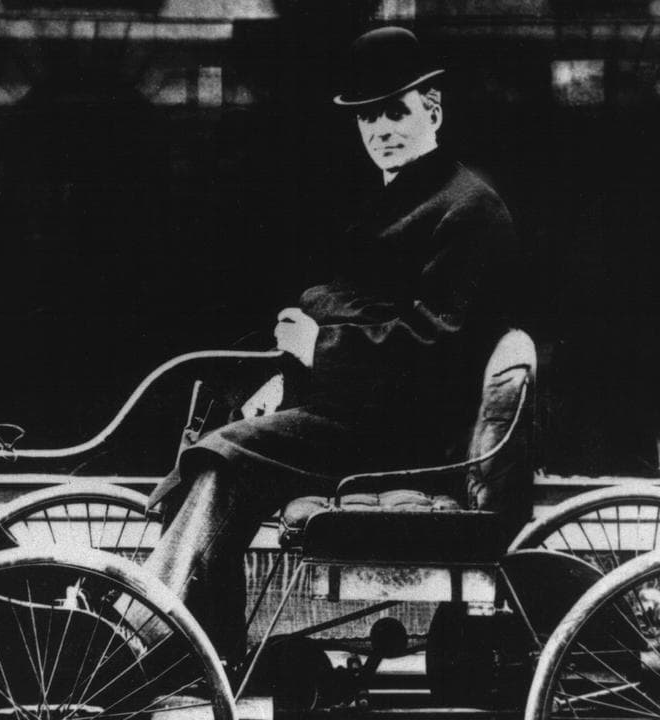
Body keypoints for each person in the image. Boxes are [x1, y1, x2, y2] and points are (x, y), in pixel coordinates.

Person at [140, 26, 519, 654]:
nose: (380, 130)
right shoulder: (401, 197)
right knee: (215, 442)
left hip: (410, 438)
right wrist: (295, 365)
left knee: (224, 455)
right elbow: (338, 299)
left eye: (395, 112)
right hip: (360, 414)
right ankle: (193, 643)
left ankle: (142, 632)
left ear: (433, 110)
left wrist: (318, 347)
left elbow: (436, 347)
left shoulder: (468, 210)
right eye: (368, 117)